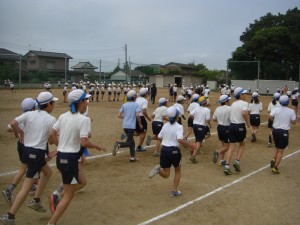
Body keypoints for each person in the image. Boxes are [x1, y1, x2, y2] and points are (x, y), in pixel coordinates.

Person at [47, 89, 106, 224]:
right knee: (69, 194)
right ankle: (52, 221)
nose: (87, 102)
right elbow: (84, 142)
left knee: (82, 182)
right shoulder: (83, 119)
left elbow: (51, 134)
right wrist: (97, 146)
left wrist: (59, 146)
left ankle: (56, 198)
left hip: (61, 158)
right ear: (80, 103)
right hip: (70, 160)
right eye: (86, 100)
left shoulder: (63, 116)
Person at [0, 92, 58, 225]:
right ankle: (10, 216)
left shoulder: (29, 114)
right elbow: (51, 139)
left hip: (27, 151)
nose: (54, 105)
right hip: (37, 153)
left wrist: (20, 132)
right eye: (53, 103)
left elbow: (13, 123)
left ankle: (36, 200)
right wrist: (58, 146)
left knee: (47, 172)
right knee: (26, 186)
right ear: (48, 104)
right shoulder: (51, 119)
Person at [148, 106, 196, 197]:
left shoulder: (165, 125)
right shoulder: (179, 126)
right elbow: (180, 140)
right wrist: (192, 145)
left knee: (166, 174)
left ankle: (158, 170)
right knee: (177, 170)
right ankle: (174, 190)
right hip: (174, 151)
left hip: (164, 150)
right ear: (177, 116)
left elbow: (159, 137)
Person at [2, 98, 37, 205]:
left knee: (26, 167)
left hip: (21, 146)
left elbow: (9, 128)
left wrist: (18, 132)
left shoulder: (20, 117)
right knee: (29, 167)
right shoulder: (33, 118)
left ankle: (32, 185)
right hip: (29, 147)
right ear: (33, 108)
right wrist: (22, 132)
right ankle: (10, 190)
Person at [224, 87, 250, 175]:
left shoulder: (233, 104)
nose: (245, 95)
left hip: (231, 126)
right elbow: (244, 113)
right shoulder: (245, 103)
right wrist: (248, 123)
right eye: (244, 94)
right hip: (240, 126)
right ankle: (237, 161)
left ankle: (227, 166)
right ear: (241, 95)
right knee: (242, 144)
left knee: (231, 147)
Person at [269, 95, 296, 174]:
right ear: (288, 102)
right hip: (284, 132)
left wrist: (275, 120)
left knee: (276, 146)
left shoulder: (276, 109)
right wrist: (289, 120)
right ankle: (275, 167)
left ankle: (274, 158)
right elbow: (294, 122)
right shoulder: (291, 111)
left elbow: (270, 116)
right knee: (281, 150)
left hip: (275, 130)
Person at [113, 90, 142, 162]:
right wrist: (140, 123)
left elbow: (119, 115)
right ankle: (119, 144)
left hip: (125, 126)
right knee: (129, 142)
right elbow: (137, 115)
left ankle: (132, 158)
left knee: (132, 142)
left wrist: (126, 117)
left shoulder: (124, 105)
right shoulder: (136, 105)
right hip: (131, 126)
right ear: (134, 97)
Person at [189, 96, 211, 163]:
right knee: (199, 141)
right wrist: (209, 125)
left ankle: (193, 149)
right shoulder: (207, 110)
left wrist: (194, 119)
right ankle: (194, 155)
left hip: (195, 125)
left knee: (197, 139)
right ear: (205, 102)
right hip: (201, 126)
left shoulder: (197, 108)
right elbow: (207, 119)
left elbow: (191, 115)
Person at [212, 95, 231, 166]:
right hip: (227, 128)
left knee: (223, 144)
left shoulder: (218, 108)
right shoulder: (230, 108)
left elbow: (214, 119)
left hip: (219, 127)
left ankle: (222, 160)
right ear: (226, 101)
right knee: (227, 147)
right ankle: (218, 152)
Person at [135, 87, 152, 152]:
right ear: (145, 94)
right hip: (141, 117)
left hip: (135, 116)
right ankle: (139, 147)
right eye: (147, 93)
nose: (148, 94)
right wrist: (148, 118)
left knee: (138, 132)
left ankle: (128, 134)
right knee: (143, 132)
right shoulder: (145, 101)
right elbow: (144, 111)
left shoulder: (136, 99)